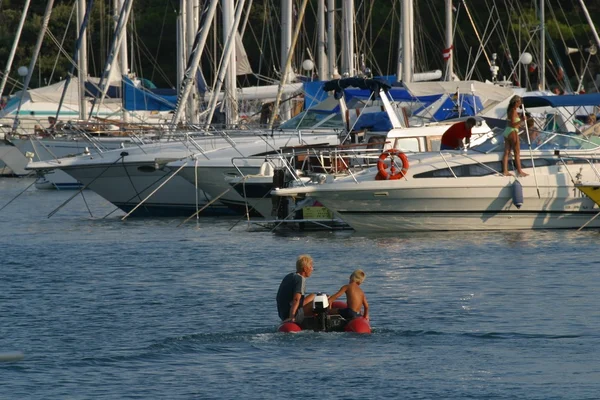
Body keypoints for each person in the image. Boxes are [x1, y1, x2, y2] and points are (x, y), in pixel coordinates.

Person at [276, 254, 315, 323]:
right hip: (291, 314)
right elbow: (296, 299)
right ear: (305, 269)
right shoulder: (300, 279)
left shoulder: (290, 276)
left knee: (313, 296)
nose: (312, 269)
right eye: (310, 266)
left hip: (283, 313)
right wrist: (292, 317)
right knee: (318, 303)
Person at [502, 95, 528, 177]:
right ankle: (520, 171)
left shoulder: (511, 110)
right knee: (517, 152)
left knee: (507, 152)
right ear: (516, 102)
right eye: (519, 102)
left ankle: (505, 171)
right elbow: (513, 124)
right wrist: (522, 120)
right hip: (512, 131)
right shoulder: (513, 111)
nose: (520, 104)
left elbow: (512, 122)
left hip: (507, 131)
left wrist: (519, 120)